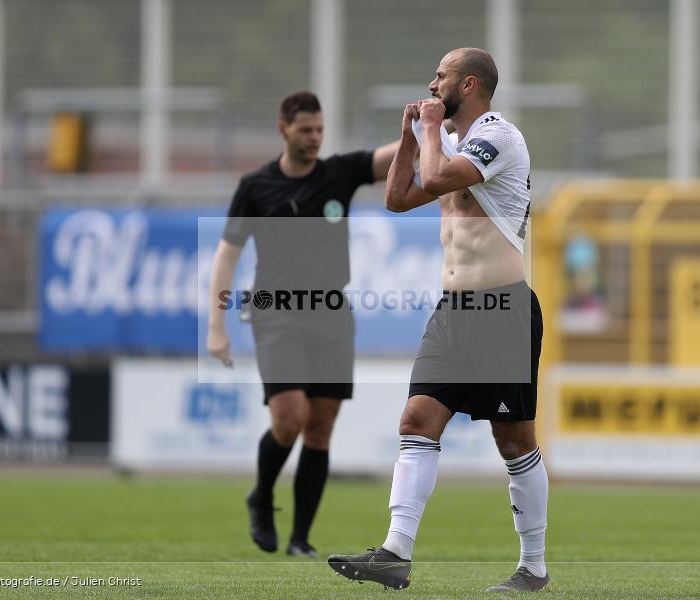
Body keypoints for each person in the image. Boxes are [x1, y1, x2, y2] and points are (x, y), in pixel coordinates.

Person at [327, 48, 549, 592]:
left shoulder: (498, 136)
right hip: (452, 310)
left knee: (514, 442)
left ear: (469, 84)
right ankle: (394, 552)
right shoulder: (444, 140)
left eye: (442, 75)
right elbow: (399, 198)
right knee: (416, 420)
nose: (432, 83)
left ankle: (533, 566)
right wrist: (409, 134)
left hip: (503, 308)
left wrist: (427, 128)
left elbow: (435, 175)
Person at [207, 91, 399, 558]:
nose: (314, 138)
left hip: (333, 313)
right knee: (290, 418)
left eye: (319, 130)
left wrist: (437, 124)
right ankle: (261, 495)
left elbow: (392, 155)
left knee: (320, 428)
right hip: (276, 313)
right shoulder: (255, 186)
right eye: (305, 130)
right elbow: (226, 255)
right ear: (283, 130)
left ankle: (299, 540)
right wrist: (216, 325)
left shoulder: (340, 171)